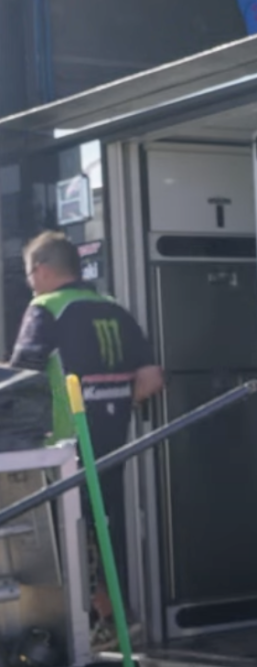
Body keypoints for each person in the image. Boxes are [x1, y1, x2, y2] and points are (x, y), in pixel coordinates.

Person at [4, 230, 162, 648]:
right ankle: (116, 619)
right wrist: (112, 400)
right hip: (113, 440)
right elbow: (151, 379)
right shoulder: (113, 308)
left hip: (62, 446)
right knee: (102, 528)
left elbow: (20, 380)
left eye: (29, 274)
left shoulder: (45, 308)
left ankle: (82, 630)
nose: (30, 283)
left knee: (64, 539)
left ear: (41, 270)